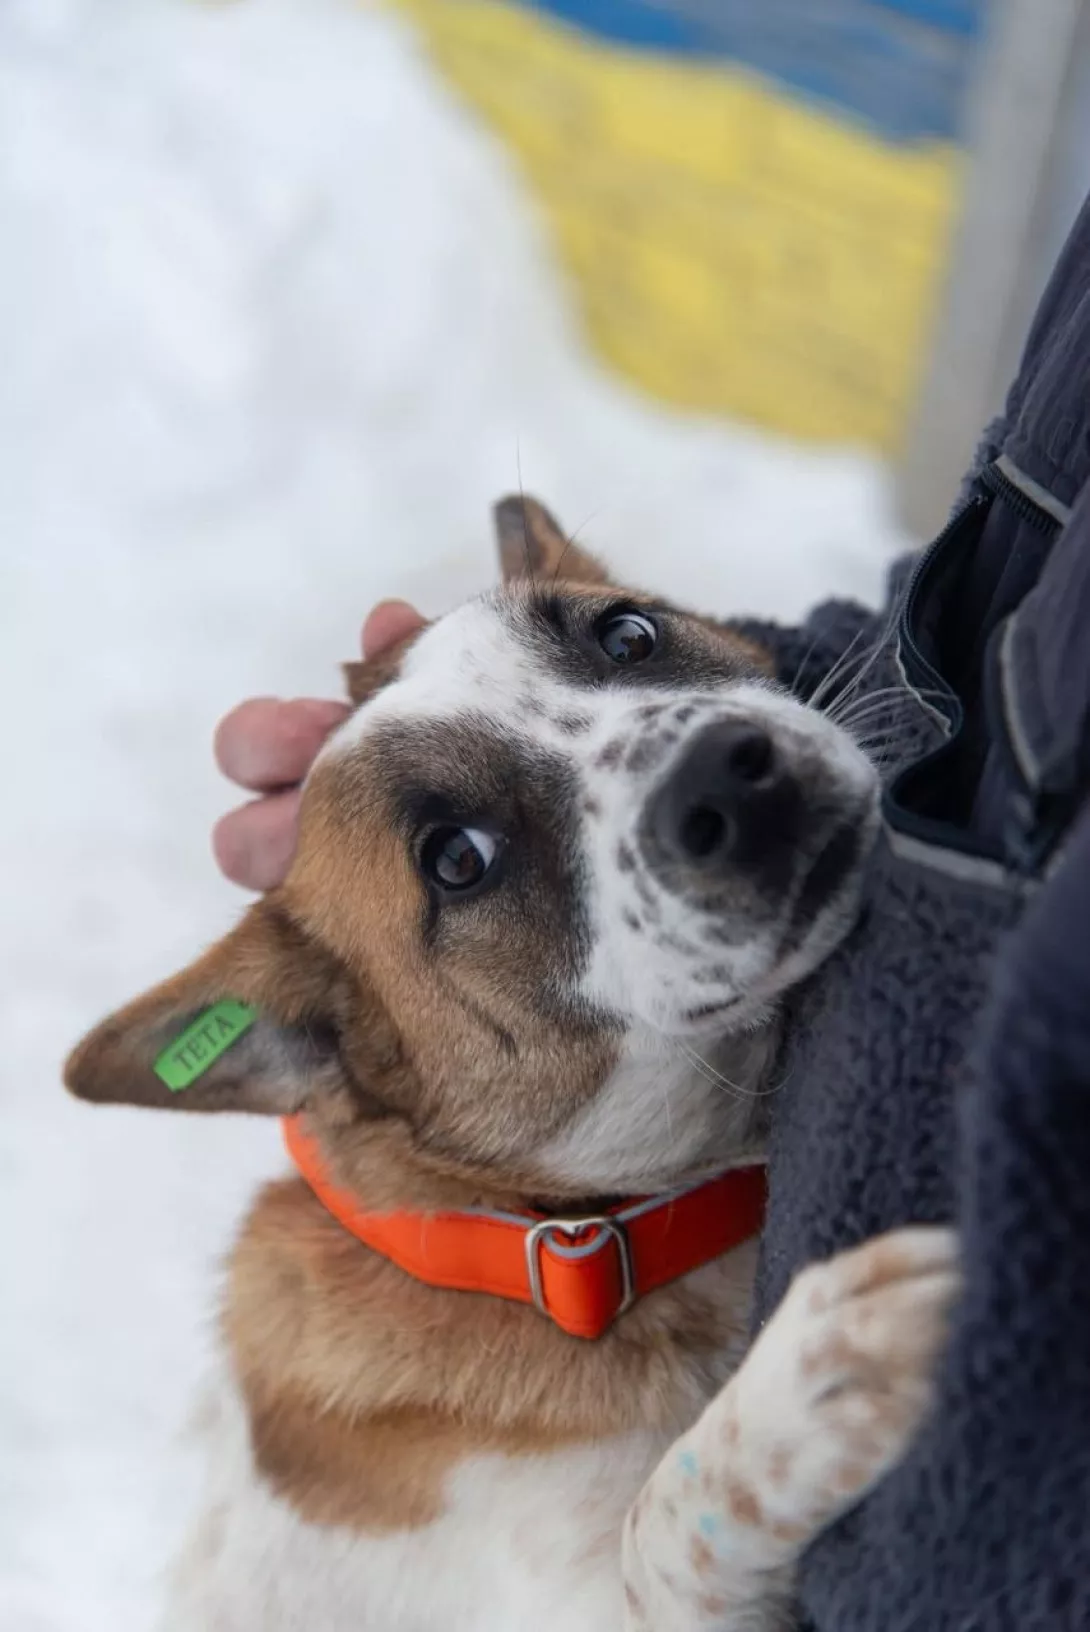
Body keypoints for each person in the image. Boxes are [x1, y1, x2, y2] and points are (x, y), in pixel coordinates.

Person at [212, 198, 1090, 1629]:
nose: (703, 763)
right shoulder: (381, 1410)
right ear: (334, 1044)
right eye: (459, 860)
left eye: (623, 639)